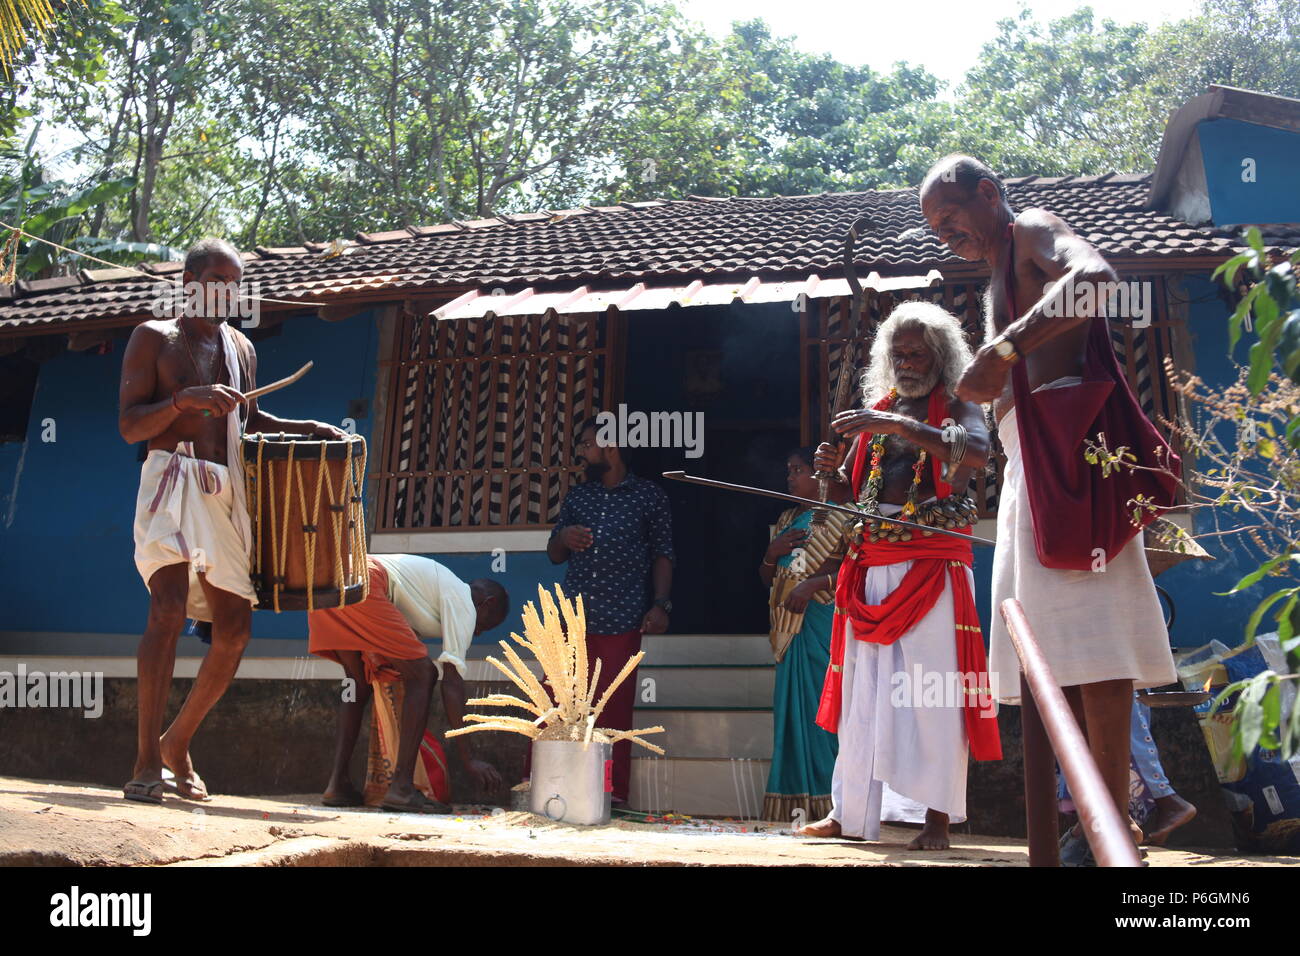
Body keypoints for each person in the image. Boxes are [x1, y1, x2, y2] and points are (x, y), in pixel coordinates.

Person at [919, 154, 1178, 851]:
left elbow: (1095, 278)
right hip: (1028, 459)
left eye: (951, 218)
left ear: (989, 194)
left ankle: (1116, 820)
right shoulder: (997, 272)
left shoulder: (1032, 227)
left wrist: (1002, 349)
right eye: (935, 229)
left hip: (1071, 452)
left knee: (1096, 634)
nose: (947, 235)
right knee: (1049, 648)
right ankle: (1094, 814)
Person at [118, 238, 346, 804]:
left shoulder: (241, 345)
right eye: (217, 279)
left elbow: (247, 412)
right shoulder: (152, 336)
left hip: (226, 490)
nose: (228, 292)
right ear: (189, 279)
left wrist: (304, 428)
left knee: (235, 632)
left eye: (235, 283)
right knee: (167, 610)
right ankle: (146, 760)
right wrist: (182, 402)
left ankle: (178, 742)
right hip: (170, 479)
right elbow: (129, 426)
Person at [796, 302, 1001, 849]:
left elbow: (976, 454)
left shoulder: (958, 405)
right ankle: (849, 813)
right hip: (870, 563)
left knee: (932, 695)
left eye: (918, 352)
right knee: (864, 695)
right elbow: (851, 496)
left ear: (941, 355)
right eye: (899, 353)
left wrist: (893, 422)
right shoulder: (878, 412)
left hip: (931, 564)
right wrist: (830, 475)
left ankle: (936, 819)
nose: (908, 361)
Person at [308, 553, 509, 812]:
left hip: (325, 581)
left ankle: (338, 784)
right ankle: (401, 788)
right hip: (365, 581)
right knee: (424, 674)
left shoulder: (433, 588)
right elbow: (452, 682)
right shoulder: (464, 601)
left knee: (358, 681)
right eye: (486, 626)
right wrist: (468, 759)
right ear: (486, 604)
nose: (478, 632)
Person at [545, 416, 674, 809]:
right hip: (573, 617)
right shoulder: (578, 498)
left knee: (612, 709)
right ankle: (544, 786)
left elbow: (663, 554)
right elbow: (554, 554)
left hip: (621, 617)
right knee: (555, 702)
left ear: (610, 447)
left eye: (586, 444)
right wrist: (562, 537)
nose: (581, 452)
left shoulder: (649, 496)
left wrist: (661, 604)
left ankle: (610, 794)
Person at [758, 448, 848, 822]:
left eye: (798, 470)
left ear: (821, 475)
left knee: (822, 717)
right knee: (792, 716)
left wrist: (812, 585)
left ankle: (836, 805)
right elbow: (768, 579)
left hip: (822, 622)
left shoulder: (845, 516)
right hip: (789, 629)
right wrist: (770, 552)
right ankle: (796, 805)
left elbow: (854, 571)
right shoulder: (786, 520)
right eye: (789, 470)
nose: (790, 478)